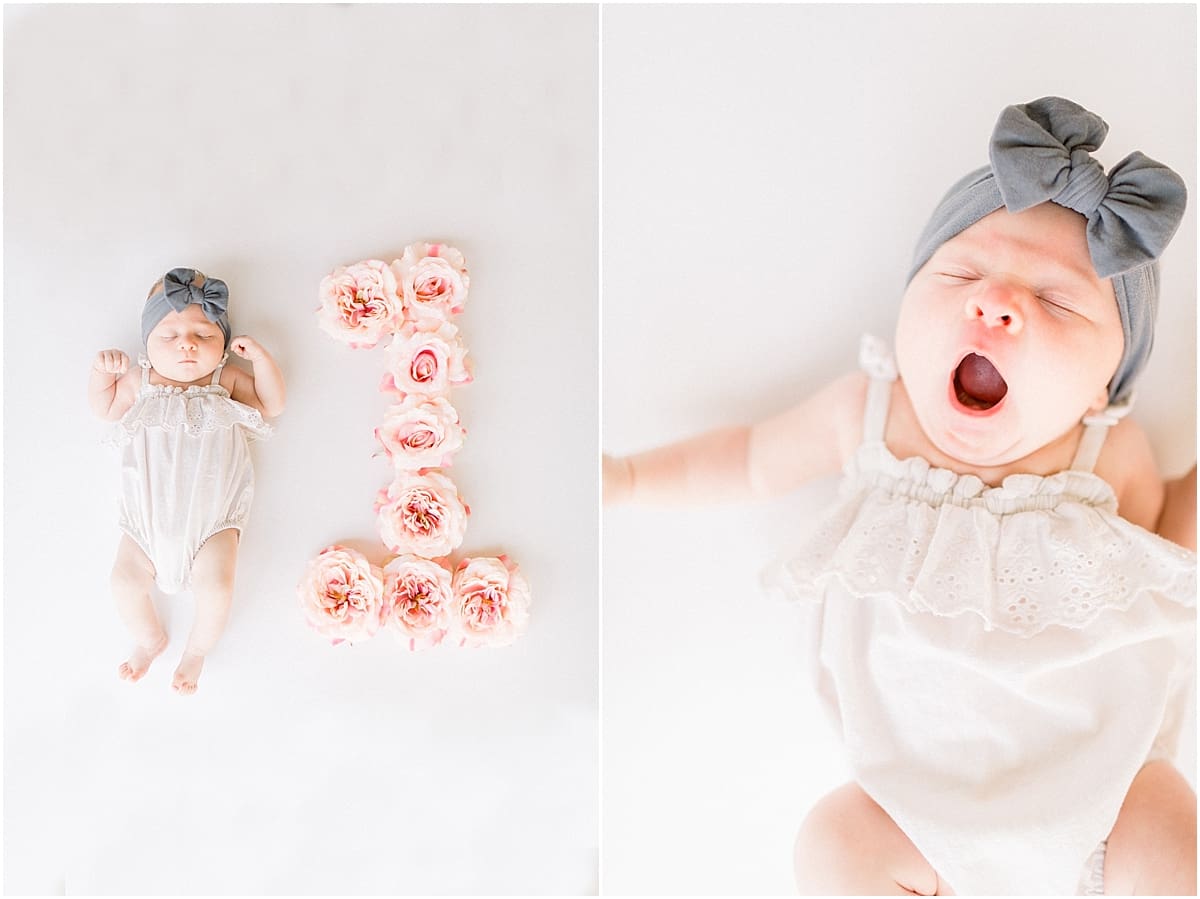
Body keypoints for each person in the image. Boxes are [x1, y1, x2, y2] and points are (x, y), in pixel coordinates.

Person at [604, 97, 1196, 894]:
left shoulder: (1105, 454)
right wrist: (632, 478)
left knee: (1169, 838)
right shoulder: (871, 416)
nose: (996, 304)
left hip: (1109, 795)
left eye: (1055, 301)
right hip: (913, 817)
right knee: (832, 844)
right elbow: (749, 459)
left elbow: (1165, 545)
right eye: (960, 273)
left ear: (1103, 391)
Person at [89, 267, 285, 695]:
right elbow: (104, 407)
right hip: (144, 522)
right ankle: (149, 638)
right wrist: (103, 373)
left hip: (213, 521)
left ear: (222, 346)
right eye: (169, 335)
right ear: (147, 344)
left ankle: (196, 651)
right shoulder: (140, 383)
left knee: (216, 588)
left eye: (204, 334)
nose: (187, 344)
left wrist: (262, 361)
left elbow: (272, 403)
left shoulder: (225, 381)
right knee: (122, 582)